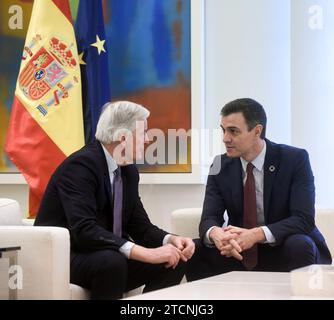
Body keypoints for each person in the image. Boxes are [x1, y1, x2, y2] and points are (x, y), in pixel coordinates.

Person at [35, 101, 195, 299]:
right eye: (143, 133)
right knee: (112, 261)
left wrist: (171, 240)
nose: (147, 140)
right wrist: (146, 253)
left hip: (104, 254)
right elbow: (85, 230)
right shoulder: (80, 166)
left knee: (174, 260)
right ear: (123, 137)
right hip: (67, 255)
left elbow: (140, 227)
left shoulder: (128, 171)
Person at [186, 98, 332, 281]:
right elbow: (209, 217)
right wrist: (217, 234)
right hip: (239, 252)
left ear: (257, 131)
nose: (225, 138)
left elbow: (303, 219)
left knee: (300, 245)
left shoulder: (294, 159)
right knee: (195, 249)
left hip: (282, 245)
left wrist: (256, 234)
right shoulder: (220, 164)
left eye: (233, 131)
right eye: (223, 130)